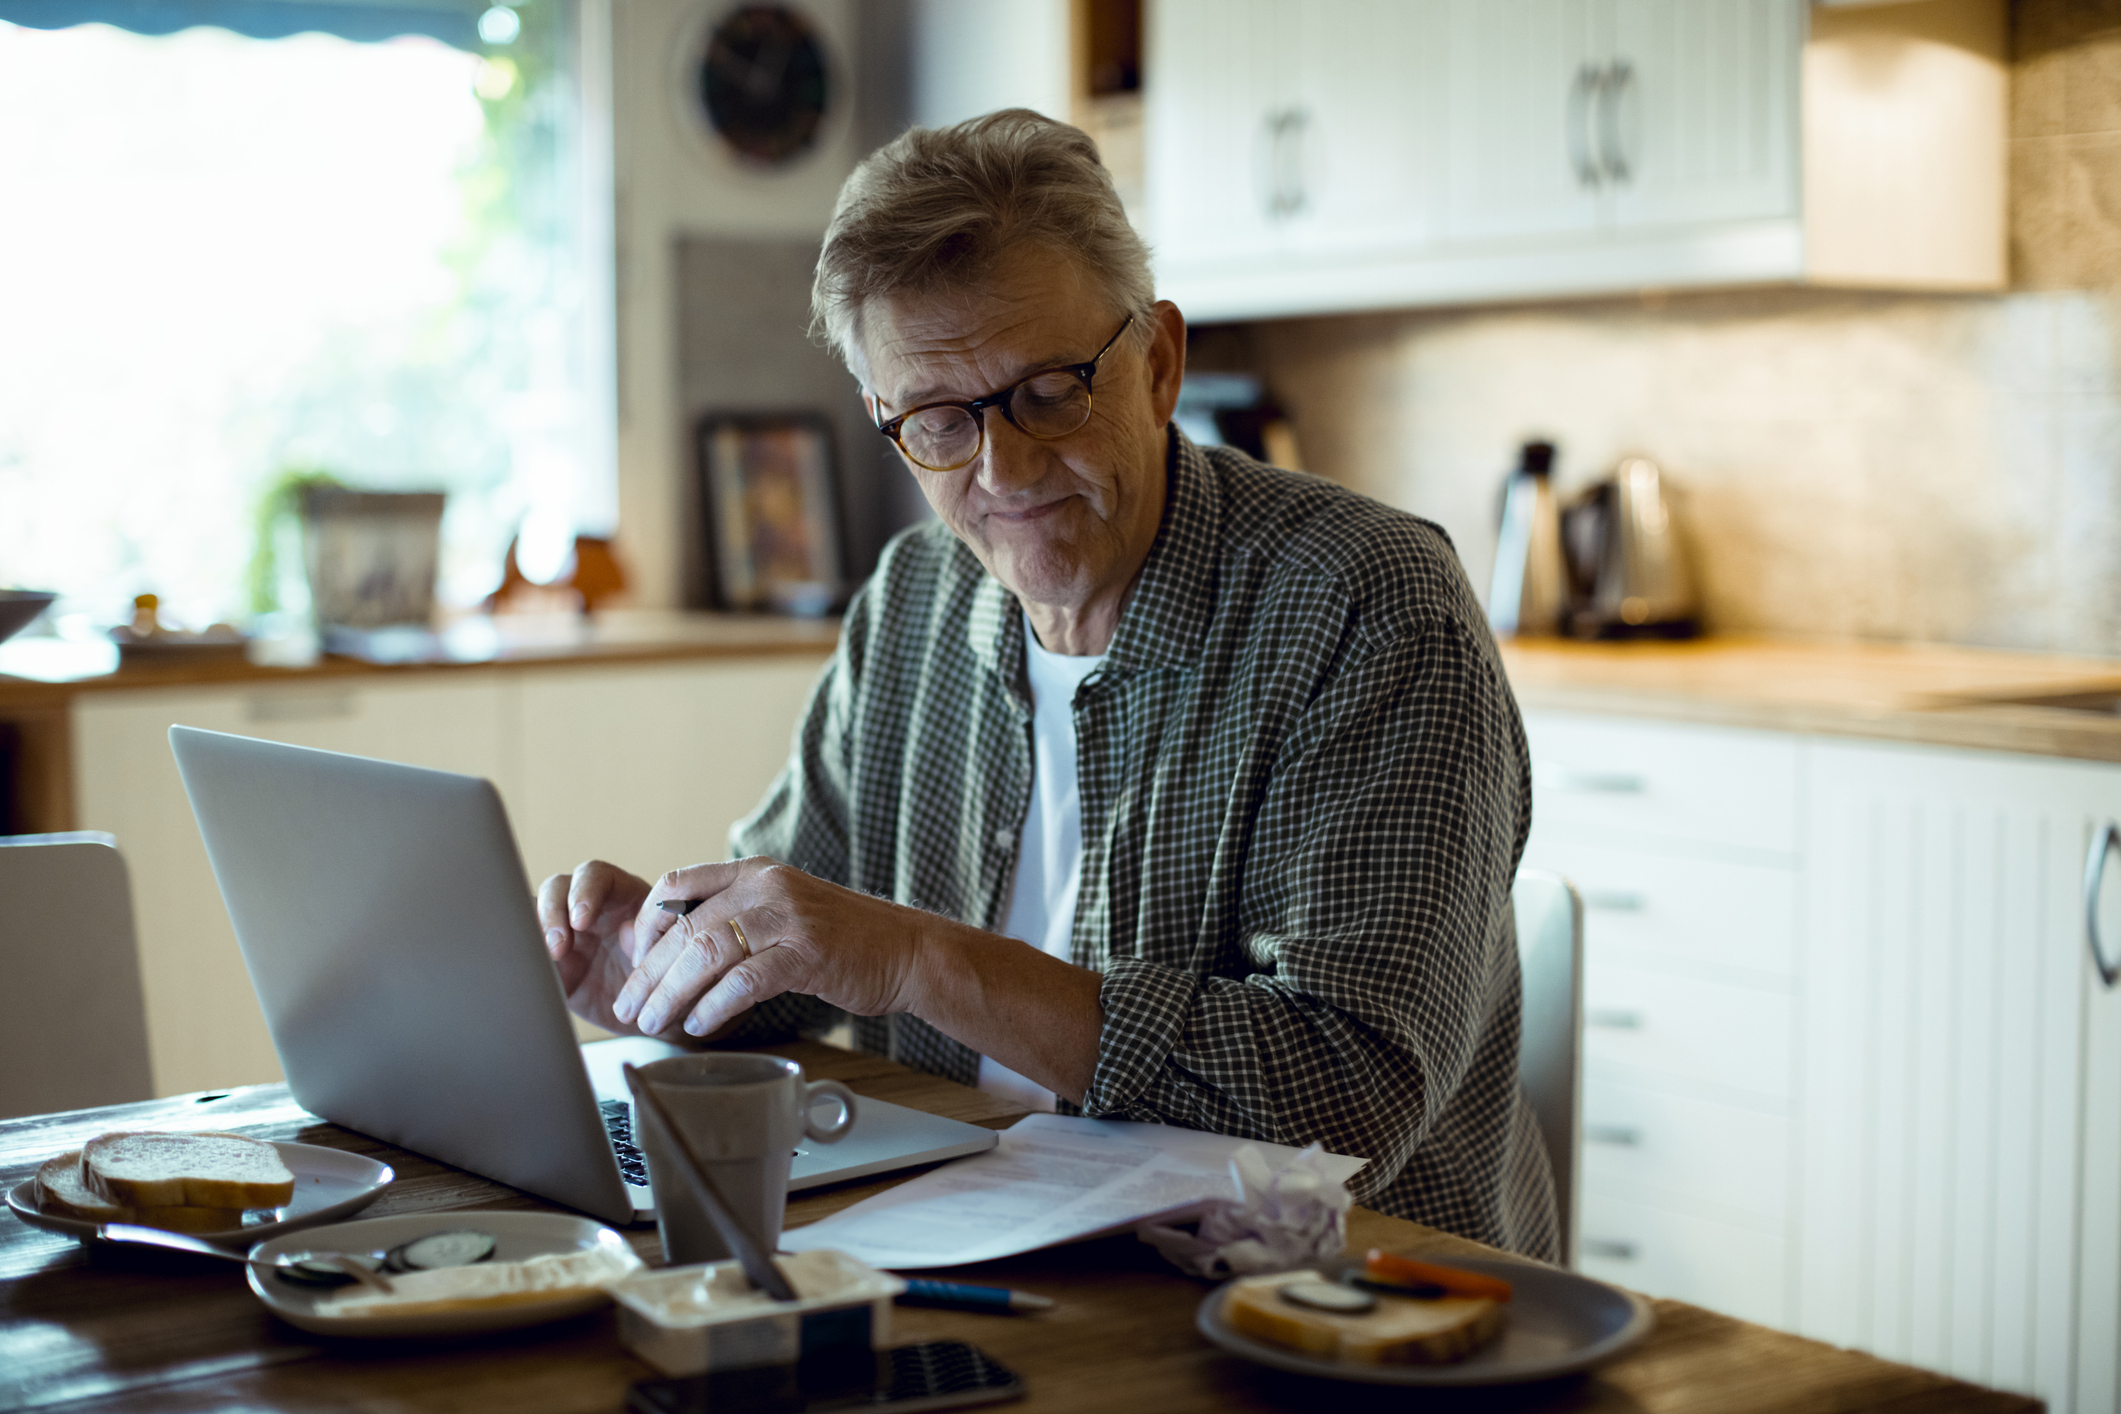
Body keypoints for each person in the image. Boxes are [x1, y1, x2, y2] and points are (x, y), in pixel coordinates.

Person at [537, 109, 1556, 1258]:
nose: (1004, 470)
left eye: (1048, 392)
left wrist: (920, 957)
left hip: (1326, 1310)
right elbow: (806, 950)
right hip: (966, 1251)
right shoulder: (916, 596)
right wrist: (657, 965)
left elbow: (1341, 1098)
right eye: (936, 419)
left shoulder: (1368, 607)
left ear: (1160, 362)